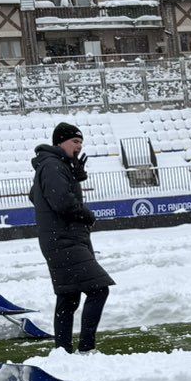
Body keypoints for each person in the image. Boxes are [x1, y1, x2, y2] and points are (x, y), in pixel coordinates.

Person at [31, 122, 115, 352]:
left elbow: (35, 195)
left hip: (61, 240)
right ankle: (86, 348)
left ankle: (63, 353)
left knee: (69, 297)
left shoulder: (54, 165)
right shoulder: (51, 166)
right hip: (64, 241)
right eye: (74, 142)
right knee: (99, 289)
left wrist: (73, 176)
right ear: (60, 142)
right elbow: (62, 202)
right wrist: (87, 215)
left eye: (81, 142)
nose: (79, 146)